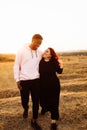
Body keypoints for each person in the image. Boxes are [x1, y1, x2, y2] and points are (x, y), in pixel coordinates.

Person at [14, 34, 43, 130]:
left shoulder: (40, 52)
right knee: (24, 100)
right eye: (37, 42)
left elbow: (48, 57)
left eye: (40, 43)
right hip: (24, 80)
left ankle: (34, 119)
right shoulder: (21, 50)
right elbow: (16, 65)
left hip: (36, 80)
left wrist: (58, 61)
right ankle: (25, 108)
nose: (38, 45)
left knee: (36, 101)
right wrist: (17, 80)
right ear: (32, 40)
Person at [39, 47, 63, 130]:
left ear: (50, 55)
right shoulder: (40, 62)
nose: (44, 52)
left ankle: (53, 120)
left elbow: (59, 71)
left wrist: (61, 64)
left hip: (54, 86)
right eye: (45, 51)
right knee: (42, 100)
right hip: (42, 86)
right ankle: (44, 108)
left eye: (47, 52)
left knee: (54, 102)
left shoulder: (53, 62)